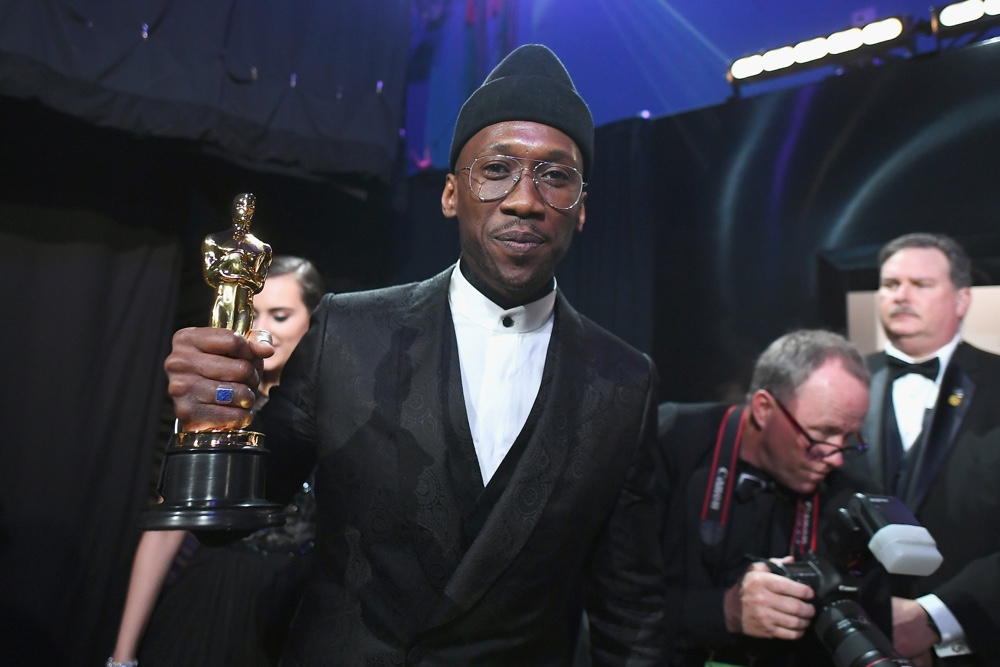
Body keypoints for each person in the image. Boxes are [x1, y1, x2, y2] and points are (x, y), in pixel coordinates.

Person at [158, 43, 665, 666]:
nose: (526, 199)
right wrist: (208, 430)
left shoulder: (624, 383)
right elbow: (231, 523)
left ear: (581, 209)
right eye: (497, 168)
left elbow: (632, 612)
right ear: (451, 193)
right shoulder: (348, 330)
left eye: (555, 176)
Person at [109, 256, 325, 667]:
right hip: (213, 594)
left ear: (315, 319)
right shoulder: (218, 408)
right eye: (253, 314)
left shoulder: (334, 408)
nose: (262, 329)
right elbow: (164, 533)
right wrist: (122, 655)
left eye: (280, 316)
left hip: (299, 604)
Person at [658, 329, 890, 666]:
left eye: (850, 435)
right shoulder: (672, 441)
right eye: (823, 433)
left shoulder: (851, 493)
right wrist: (724, 612)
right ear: (764, 408)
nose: (837, 457)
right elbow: (612, 597)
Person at [842, 233, 1000, 667]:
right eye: (891, 285)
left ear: (962, 299)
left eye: (921, 284)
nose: (901, 296)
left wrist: (938, 616)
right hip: (851, 644)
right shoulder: (838, 382)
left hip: (975, 647)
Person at [203, 192, 273, 335]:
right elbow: (210, 273)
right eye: (241, 205)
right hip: (223, 298)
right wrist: (233, 261)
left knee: (240, 342)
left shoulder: (262, 248)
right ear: (233, 208)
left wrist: (237, 271)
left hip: (244, 303)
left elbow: (259, 283)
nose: (245, 211)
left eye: (250, 208)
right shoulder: (215, 240)